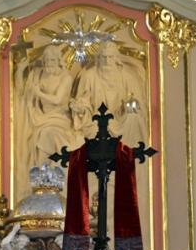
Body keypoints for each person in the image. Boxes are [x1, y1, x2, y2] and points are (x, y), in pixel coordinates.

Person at [16, 44, 79, 188]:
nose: (49, 64)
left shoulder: (66, 78)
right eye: (46, 60)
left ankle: (49, 175)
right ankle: (42, 179)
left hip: (60, 119)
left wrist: (38, 93)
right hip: (41, 118)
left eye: (52, 60)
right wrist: (20, 70)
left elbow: (57, 99)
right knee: (40, 135)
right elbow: (22, 92)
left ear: (58, 61)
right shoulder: (39, 75)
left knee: (47, 134)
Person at [70, 41, 148, 147]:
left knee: (134, 117)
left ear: (116, 58)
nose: (107, 61)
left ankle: (128, 152)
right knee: (94, 130)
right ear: (98, 58)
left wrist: (130, 106)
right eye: (104, 57)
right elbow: (83, 102)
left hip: (122, 119)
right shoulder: (88, 76)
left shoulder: (127, 77)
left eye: (110, 57)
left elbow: (138, 102)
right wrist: (81, 109)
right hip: (97, 120)